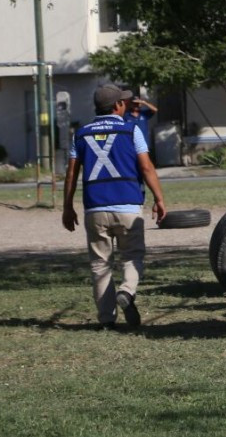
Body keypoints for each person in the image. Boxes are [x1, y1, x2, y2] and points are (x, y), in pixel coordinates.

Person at [62, 84, 167, 331]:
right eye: (124, 102)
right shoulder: (131, 130)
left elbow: (71, 173)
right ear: (118, 105)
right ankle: (127, 291)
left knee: (100, 264)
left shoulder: (81, 134)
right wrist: (159, 199)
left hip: (94, 208)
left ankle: (107, 319)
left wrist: (67, 206)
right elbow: (146, 167)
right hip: (128, 205)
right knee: (132, 256)